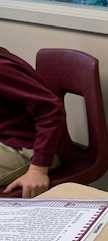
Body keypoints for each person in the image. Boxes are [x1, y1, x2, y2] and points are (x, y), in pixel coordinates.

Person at [0, 47, 72, 198]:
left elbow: (51, 110)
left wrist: (38, 170)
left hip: (31, 149)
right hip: (7, 138)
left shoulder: (2, 67)